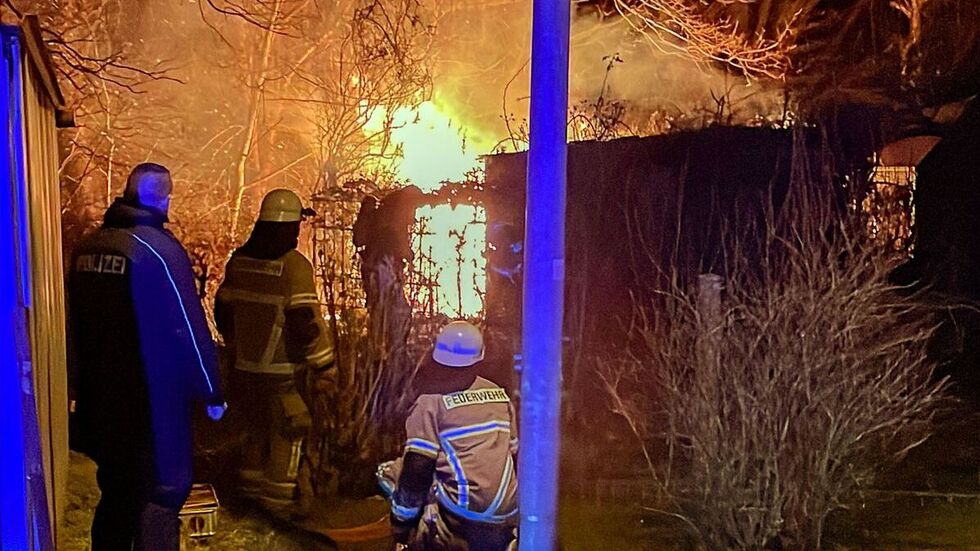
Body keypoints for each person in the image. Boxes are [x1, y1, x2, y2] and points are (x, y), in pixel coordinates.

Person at [67, 163, 226, 551]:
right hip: (153, 400)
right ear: (162, 197)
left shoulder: (89, 249)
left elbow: (75, 326)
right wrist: (212, 391)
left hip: (102, 400)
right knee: (163, 491)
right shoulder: (158, 252)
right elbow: (190, 330)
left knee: (118, 490)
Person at [215, 188, 335, 504]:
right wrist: (324, 365)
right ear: (285, 227)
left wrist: (236, 346)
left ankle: (251, 506)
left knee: (254, 435)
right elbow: (304, 321)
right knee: (289, 434)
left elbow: (223, 309)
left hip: (244, 372)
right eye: (295, 226)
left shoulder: (238, 261)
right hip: (283, 374)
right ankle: (277, 512)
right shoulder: (294, 266)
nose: (297, 233)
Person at [377, 321, 518, 551]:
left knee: (390, 473)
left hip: (464, 515)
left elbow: (417, 469)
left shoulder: (429, 402)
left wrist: (402, 525)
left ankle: (427, 537)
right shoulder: (500, 396)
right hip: (508, 511)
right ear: (480, 356)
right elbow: (514, 455)